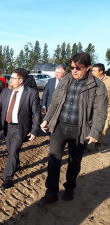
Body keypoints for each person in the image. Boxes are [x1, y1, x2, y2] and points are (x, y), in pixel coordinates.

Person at [40, 53, 108, 204]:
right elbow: (55, 102)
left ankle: (69, 188)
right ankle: (51, 191)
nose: (74, 71)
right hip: (59, 127)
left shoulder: (98, 86)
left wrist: (95, 131)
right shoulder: (65, 80)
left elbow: (100, 111)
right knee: (54, 159)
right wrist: (46, 120)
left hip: (80, 129)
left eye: (78, 68)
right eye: (72, 67)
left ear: (88, 68)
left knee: (74, 161)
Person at [0, 68, 41, 189]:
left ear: (21, 81)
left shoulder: (31, 93)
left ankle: (8, 178)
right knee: (11, 151)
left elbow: (36, 114)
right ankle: (16, 165)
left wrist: (34, 130)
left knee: (13, 152)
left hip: (20, 128)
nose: (10, 80)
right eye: (10, 78)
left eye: (13, 78)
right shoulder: (6, 91)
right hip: (6, 126)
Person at [91, 63, 110, 150]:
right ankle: (87, 146)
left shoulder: (109, 81)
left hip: (107, 108)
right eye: (92, 70)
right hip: (94, 107)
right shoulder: (91, 81)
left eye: (94, 71)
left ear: (101, 71)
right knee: (91, 126)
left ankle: (98, 141)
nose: (92, 72)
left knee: (105, 126)